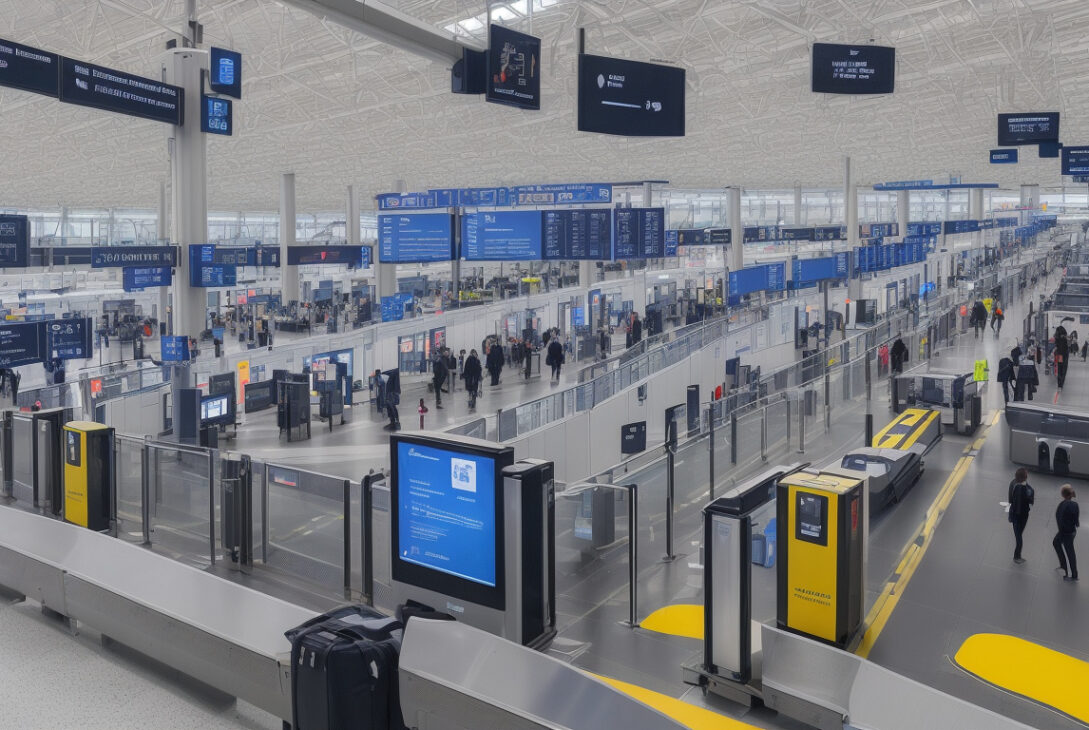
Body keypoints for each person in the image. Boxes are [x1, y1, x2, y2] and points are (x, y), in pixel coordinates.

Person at [1008, 468, 1034, 564]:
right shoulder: (1025, 488)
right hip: (1021, 516)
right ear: (1024, 477)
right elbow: (1030, 500)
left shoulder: (1013, 483)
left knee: (1018, 536)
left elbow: (1010, 499)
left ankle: (1017, 556)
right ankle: (1017, 556)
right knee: (1019, 538)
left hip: (1015, 515)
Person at [1053, 484, 1079, 582]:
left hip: (1065, 532)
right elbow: (1076, 521)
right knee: (1056, 543)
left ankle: (1074, 575)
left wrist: (1062, 531)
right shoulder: (1075, 505)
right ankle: (1064, 566)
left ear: (1063, 494)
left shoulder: (1063, 505)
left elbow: (1059, 518)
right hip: (1071, 531)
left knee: (1070, 553)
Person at [1055, 326, 1070, 390]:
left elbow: (1056, 346)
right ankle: (1061, 383)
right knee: (1064, 369)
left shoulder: (1057, 338)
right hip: (1065, 355)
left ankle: (1059, 384)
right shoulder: (1065, 338)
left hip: (1059, 355)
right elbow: (1069, 345)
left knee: (1060, 369)